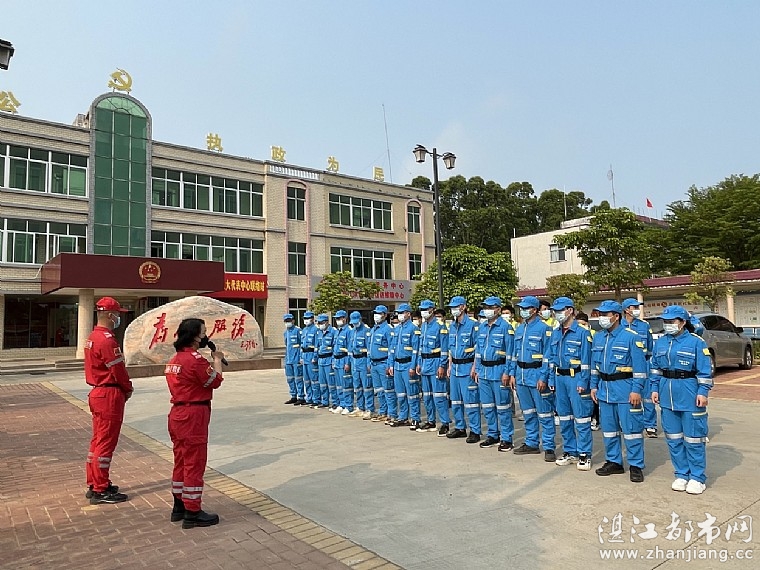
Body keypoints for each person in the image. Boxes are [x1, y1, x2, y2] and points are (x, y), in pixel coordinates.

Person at [165, 318, 225, 528]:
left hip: (177, 413)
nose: (205, 336)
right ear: (195, 336)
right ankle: (192, 511)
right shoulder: (195, 360)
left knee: (181, 460)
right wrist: (217, 360)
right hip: (193, 414)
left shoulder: (175, 359)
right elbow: (215, 381)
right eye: (203, 332)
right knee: (194, 462)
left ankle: (179, 506)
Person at [650, 305, 713, 495]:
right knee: (674, 438)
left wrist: (703, 392)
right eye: (666, 321)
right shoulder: (661, 342)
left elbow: (705, 371)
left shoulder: (696, 342)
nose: (668, 324)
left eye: (672, 321)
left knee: (694, 438)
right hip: (667, 394)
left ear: (683, 322)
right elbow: (655, 368)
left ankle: (697, 477)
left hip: (689, 393)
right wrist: (654, 389)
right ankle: (681, 474)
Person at [590, 300, 648, 483]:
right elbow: (594, 366)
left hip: (625, 389)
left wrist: (636, 390)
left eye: (605, 315)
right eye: (600, 314)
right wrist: (593, 385)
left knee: (632, 430)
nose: (601, 318)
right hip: (605, 390)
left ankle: (636, 465)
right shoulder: (598, 337)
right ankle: (614, 461)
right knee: (609, 430)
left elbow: (640, 368)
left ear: (616, 316)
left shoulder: (631, 337)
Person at [84, 296, 132, 505]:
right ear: (111, 315)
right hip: (109, 394)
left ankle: (94, 482)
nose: (118, 318)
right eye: (118, 314)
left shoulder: (93, 336)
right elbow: (118, 370)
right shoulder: (107, 340)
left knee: (97, 441)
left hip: (98, 392)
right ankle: (100, 488)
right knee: (105, 443)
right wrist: (128, 388)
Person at [548, 297, 594, 471]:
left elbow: (587, 361)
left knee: (581, 418)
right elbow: (552, 358)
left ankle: (584, 454)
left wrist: (584, 380)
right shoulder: (555, 333)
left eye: (560, 310)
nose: (557, 314)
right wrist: (551, 379)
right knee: (564, 417)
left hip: (576, 378)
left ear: (570, 311)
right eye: (555, 311)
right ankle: (570, 451)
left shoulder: (582, 333)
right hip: (560, 378)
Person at [510, 296, 556, 461]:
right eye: (521, 308)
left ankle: (549, 447)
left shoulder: (544, 329)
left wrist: (544, 377)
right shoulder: (519, 329)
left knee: (544, 413)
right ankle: (531, 442)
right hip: (521, 375)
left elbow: (548, 356)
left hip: (537, 375)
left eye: (526, 308)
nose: (522, 311)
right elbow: (514, 354)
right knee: (528, 412)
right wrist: (512, 374)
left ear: (535, 310)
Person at [474, 296, 515, 452]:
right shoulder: (482, 327)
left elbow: (510, 353)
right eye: (485, 307)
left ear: (498, 309)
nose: (487, 310)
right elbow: (478, 351)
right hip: (484, 371)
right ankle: (493, 434)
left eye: (490, 307)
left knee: (503, 407)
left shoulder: (505, 327)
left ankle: (506, 438)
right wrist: (477, 369)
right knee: (488, 407)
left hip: (499, 370)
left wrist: (507, 372)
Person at [446, 296, 480, 443]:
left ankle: (475, 430)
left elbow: (478, 348)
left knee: (471, 401)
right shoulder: (452, 326)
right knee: (455, 401)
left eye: (456, 307)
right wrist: (449, 365)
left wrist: (475, 367)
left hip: (467, 366)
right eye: (452, 307)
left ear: (463, 307)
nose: (454, 310)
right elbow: (451, 348)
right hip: (455, 367)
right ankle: (460, 427)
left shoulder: (473, 325)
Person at [623, 298, 657, 437]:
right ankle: (631, 423)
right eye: (634, 307)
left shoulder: (644, 326)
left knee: (647, 397)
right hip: (626, 367)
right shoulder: (620, 326)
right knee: (629, 396)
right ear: (626, 310)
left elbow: (650, 347)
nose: (637, 309)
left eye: (638, 307)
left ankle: (650, 425)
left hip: (643, 364)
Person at [415, 299, 450, 434]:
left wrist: (442, 365)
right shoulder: (423, 326)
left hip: (436, 362)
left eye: (426, 310)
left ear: (432, 310)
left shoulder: (440, 326)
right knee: (427, 395)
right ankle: (431, 421)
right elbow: (420, 347)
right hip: (424, 363)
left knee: (439, 395)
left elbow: (445, 349)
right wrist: (419, 363)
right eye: (422, 310)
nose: (424, 312)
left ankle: (445, 423)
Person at [387, 303, 420, 427]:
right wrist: (391, 365)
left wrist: (413, 366)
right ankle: (403, 417)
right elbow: (392, 349)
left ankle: (415, 418)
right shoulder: (396, 329)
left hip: (408, 364)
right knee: (400, 394)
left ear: (408, 314)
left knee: (412, 394)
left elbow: (416, 350)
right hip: (397, 365)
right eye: (398, 313)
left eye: (402, 313)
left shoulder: (413, 329)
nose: (400, 315)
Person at [367, 305, 393, 421]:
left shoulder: (388, 329)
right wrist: (369, 362)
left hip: (383, 363)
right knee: (379, 390)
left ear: (385, 315)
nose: (376, 316)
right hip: (374, 364)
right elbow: (369, 348)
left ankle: (391, 413)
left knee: (388, 390)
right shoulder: (373, 329)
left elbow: (391, 349)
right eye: (375, 313)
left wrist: (389, 365)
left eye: (379, 313)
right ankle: (383, 412)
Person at [576, 311, 600, 432]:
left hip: (594, 368)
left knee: (594, 397)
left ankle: (595, 419)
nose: (581, 326)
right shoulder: (577, 333)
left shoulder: (594, 333)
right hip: (583, 370)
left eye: (583, 324)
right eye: (579, 324)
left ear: (587, 323)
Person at [348, 311, 371, 417]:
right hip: (354, 361)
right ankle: (360, 407)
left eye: (356, 322)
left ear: (360, 319)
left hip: (363, 360)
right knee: (357, 386)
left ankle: (369, 408)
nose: (355, 324)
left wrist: (368, 363)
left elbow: (369, 349)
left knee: (366, 386)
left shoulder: (366, 331)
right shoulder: (352, 331)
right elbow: (350, 348)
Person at [282, 314, 305, 405]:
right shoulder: (285, 332)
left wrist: (301, 357)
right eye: (286, 321)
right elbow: (286, 345)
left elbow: (302, 344)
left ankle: (301, 397)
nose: (288, 323)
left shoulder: (298, 331)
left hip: (296, 359)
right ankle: (293, 396)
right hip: (288, 359)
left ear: (293, 321)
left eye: (289, 321)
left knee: (298, 378)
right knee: (290, 379)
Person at [315, 314, 336, 409]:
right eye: (318, 323)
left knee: (331, 383)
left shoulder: (333, 332)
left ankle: (335, 402)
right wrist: (315, 357)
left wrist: (333, 361)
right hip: (321, 360)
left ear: (327, 322)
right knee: (322, 383)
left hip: (329, 359)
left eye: (321, 323)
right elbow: (317, 346)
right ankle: (325, 401)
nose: (320, 324)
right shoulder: (319, 332)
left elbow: (335, 348)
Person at [332, 310, 351, 414]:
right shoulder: (337, 331)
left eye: (339, 318)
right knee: (338, 385)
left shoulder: (348, 331)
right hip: (337, 360)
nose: (337, 320)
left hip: (344, 359)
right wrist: (333, 360)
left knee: (346, 384)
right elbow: (334, 347)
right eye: (336, 319)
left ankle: (348, 405)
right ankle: (341, 404)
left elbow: (349, 349)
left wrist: (347, 363)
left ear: (344, 318)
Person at [301, 311, 319, 407]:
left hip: (311, 355)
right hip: (305, 356)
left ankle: (316, 399)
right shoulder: (304, 330)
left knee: (314, 380)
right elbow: (301, 345)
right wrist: (301, 357)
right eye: (304, 318)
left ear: (312, 319)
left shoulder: (316, 330)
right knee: (306, 380)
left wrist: (315, 357)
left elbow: (317, 345)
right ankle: (309, 398)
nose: (306, 320)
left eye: (307, 318)